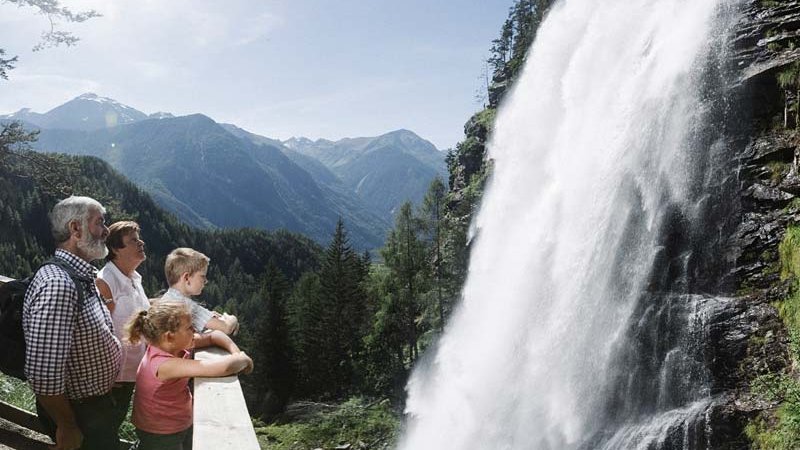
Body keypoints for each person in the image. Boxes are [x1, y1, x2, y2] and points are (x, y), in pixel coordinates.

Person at [23, 196, 122, 450]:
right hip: (80, 413)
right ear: (75, 229)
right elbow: (43, 375)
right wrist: (67, 426)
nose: (107, 230)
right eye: (100, 222)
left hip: (91, 407)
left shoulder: (79, 275)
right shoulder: (60, 285)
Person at [126, 299, 253, 450]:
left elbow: (214, 336)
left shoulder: (169, 345)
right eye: (189, 328)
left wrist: (236, 352)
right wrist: (243, 360)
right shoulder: (164, 365)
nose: (195, 331)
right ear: (170, 336)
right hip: (161, 433)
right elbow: (222, 368)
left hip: (170, 426)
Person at [96, 221, 151, 441]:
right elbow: (97, 329)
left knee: (111, 426)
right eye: (134, 240)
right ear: (117, 249)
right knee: (102, 431)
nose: (141, 243)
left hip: (128, 373)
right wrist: (106, 375)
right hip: (112, 377)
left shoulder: (134, 279)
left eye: (139, 237)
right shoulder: (105, 280)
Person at [161, 247, 239, 335]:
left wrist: (207, 316)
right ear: (187, 278)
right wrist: (232, 319)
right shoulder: (186, 307)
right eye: (202, 276)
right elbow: (226, 327)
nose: (206, 281)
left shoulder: (167, 299)